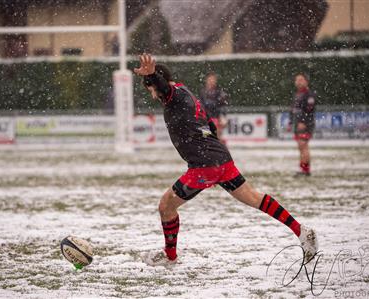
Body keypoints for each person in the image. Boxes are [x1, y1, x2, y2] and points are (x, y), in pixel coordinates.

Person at [133, 54, 318, 266]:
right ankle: (302, 231)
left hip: (204, 166)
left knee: (166, 206)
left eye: (151, 90)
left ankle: (170, 257)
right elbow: (210, 126)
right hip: (220, 159)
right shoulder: (186, 92)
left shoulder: (172, 95)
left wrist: (151, 77)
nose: (153, 95)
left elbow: (164, 89)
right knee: (255, 198)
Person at [288, 74, 316, 176]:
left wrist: (303, 122)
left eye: (301, 80)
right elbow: (292, 110)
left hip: (305, 124)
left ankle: (305, 170)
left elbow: (309, 110)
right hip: (297, 123)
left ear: (306, 81)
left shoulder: (309, 94)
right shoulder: (297, 94)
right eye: (297, 80)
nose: (298, 82)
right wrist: (291, 122)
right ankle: (303, 168)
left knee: (303, 146)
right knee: (301, 146)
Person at [199, 72, 229, 143]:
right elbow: (201, 105)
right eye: (210, 80)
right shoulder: (202, 92)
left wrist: (223, 116)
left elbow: (223, 106)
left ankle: (220, 150)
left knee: (216, 138)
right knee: (206, 138)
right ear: (206, 80)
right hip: (205, 120)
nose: (211, 82)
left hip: (216, 118)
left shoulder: (219, 92)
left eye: (213, 80)